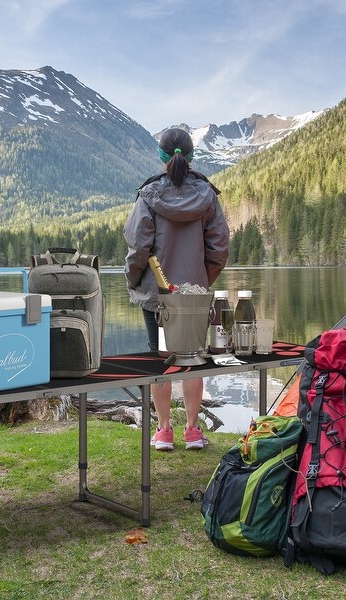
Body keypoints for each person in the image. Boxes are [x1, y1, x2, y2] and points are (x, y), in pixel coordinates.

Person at [123, 127, 230, 451]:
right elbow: (219, 247)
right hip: (193, 293)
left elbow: (138, 246)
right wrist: (200, 280)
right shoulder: (207, 195)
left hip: (157, 294)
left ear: (161, 156)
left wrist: (134, 278)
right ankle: (194, 431)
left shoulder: (149, 195)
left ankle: (164, 431)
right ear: (190, 155)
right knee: (192, 359)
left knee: (162, 361)